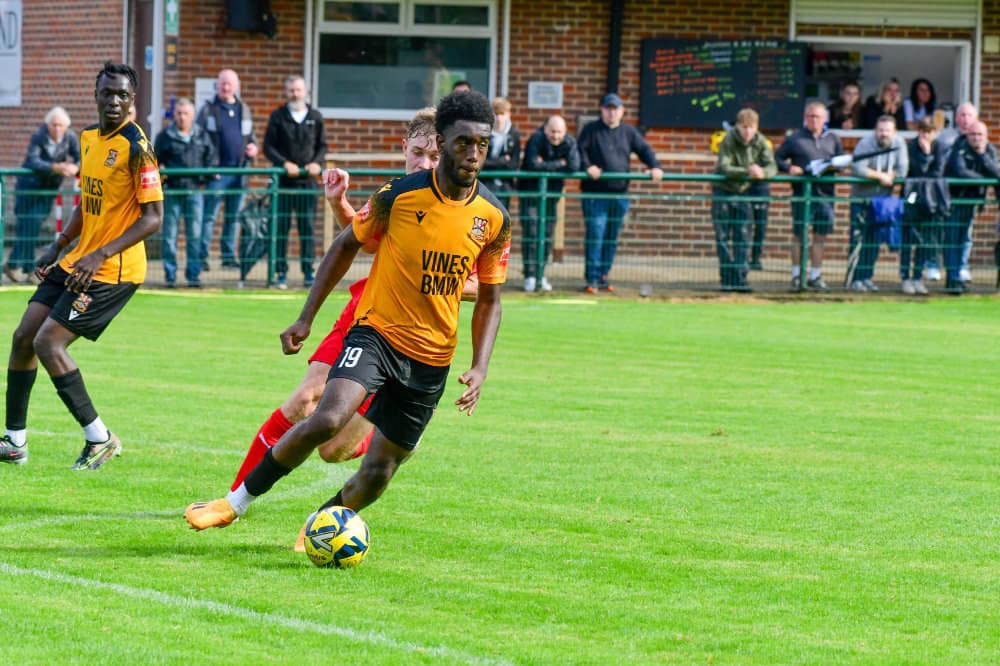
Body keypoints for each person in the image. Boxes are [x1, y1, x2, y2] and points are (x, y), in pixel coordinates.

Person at [184, 90, 511, 533]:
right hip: (375, 331)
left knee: (374, 470)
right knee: (325, 416)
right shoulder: (399, 195)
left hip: (432, 357)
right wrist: (306, 317)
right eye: (462, 143)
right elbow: (351, 244)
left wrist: (480, 367)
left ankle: (321, 525)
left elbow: (490, 296)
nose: (472, 154)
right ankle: (234, 502)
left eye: (482, 145)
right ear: (441, 141)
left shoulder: (494, 217)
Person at [226, 107, 460, 497]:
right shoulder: (394, 194)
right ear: (404, 148)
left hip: (412, 331)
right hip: (363, 313)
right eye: (418, 153)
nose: (424, 163)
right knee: (304, 400)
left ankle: (399, 434)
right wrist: (338, 202)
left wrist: (432, 276)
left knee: (332, 451)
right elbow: (362, 240)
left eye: (435, 156)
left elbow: (482, 284)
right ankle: (233, 499)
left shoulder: (465, 207)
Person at [1, 62, 163, 468]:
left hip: (114, 270)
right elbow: (87, 203)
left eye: (122, 95)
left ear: (132, 100)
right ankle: (14, 442)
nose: (114, 101)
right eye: (108, 93)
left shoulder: (138, 149)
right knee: (23, 337)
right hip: (79, 260)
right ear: (96, 94)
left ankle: (100, 438)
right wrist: (59, 244)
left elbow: (153, 218)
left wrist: (100, 254)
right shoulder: (88, 138)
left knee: (48, 343)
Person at [578, 92, 663, 293]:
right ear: (602, 110)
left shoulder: (629, 131)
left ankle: (603, 276)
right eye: (608, 109)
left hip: (619, 194)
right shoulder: (591, 130)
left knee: (611, 238)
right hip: (595, 194)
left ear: (622, 111)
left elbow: (645, 150)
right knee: (595, 236)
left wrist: (655, 166)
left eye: (615, 109)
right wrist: (587, 166)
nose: (612, 113)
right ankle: (592, 279)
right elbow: (579, 152)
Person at [262, 75, 327, 288]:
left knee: (307, 228)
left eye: (298, 90)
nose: (295, 94)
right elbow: (268, 147)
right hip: (284, 183)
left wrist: (316, 163)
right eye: (291, 90)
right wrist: (284, 164)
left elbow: (322, 146)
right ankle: (280, 272)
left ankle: (308, 272)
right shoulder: (278, 116)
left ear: (305, 92)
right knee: (281, 228)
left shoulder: (315, 116)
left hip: (307, 184)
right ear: (286, 92)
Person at [4, 107, 81, 284]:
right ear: (48, 125)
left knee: (32, 226)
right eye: (54, 125)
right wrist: (56, 167)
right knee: (28, 225)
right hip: (28, 187)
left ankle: (16, 265)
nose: (57, 128)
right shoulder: (39, 136)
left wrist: (75, 167)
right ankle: (26, 268)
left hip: (48, 189)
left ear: (66, 126)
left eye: (60, 125)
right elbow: (33, 160)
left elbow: (79, 157)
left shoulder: (70, 137)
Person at [775, 101, 845, 290]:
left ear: (825, 119)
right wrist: (789, 168)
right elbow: (777, 158)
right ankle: (797, 275)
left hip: (825, 195)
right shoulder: (795, 138)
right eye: (811, 116)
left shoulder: (833, 138)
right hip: (802, 194)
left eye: (818, 117)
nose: (814, 120)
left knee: (820, 237)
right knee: (799, 235)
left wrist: (833, 167)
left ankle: (815, 275)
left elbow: (841, 162)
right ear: (805, 118)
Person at [197, 68, 258, 270]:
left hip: (240, 173)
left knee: (234, 218)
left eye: (229, 83)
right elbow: (199, 140)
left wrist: (253, 148)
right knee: (209, 217)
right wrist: (207, 167)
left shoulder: (244, 109)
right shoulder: (208, 109)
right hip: (217, 174)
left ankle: (229, 257)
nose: (225, 87)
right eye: (222, 83)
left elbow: (252, 137)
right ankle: (202, 258)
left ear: (236, 86)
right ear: (217, 85)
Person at [153, 97, 217, 288]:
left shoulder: (202, 135)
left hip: (194, 191)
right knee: (170, 236)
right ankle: (170, 275)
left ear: (193, 115)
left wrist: (203, 179)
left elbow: (212, 160)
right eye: (179, 113)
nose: (182, 117)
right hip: (172, 191)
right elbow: (154, 160)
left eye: (186, 113)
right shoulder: (164, 136)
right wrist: (161, 170)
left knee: (195, 235)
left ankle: (193, 275)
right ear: (174, 115)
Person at [712, 108, 777, 292]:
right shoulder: (728, 139)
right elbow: (724, 166)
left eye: (751, 127)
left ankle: (741, 279)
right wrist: (747, 171)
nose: (748, 132)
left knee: (743, 236)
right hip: (723, 191)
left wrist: (763, 173)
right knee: (722, 237)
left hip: (743, 193)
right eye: (744, 127)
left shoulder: (760, 141)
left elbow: (772, 165)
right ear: (738, 126)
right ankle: (727, 278)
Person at [847, 115, 909, 292]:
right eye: (881, 130)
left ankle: (867, 277)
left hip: (882, 203)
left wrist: (891, 176)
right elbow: (857, 168)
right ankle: (854, 279)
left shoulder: (899, 143)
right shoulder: (866, 143)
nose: (884, 134)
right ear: (876, 130)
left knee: (874, 242)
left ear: (894, 132)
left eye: (887, 130)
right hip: (861, 200)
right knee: (858, 241)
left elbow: (903, 170)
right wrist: (881, 176)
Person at [518, 114, 579, 292]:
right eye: (552, 131)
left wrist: (546, 164)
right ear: (545, 129)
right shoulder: (536, 139)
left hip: (552, 196)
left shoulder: (569, 142)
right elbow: (532, 164)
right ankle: (529, 275)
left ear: (565, 132)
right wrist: (560, 163)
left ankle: (541, 274)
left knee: (547, 235)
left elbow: (574, 165)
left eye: (559, 132)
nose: (556, 136)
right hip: (530, 194)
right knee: (531, 233)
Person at [943, 120, 999, 294]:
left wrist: (982, 156)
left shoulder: (989, 150)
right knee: (952, 240)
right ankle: (952, 279)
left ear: (986, 136)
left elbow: (997, 172)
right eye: (973, 134)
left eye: (980, 135)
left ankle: (957, 277)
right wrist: (983, 179)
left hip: (971, 201)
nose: (976, 138)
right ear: (967, 135)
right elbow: (960, 171)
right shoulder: (959, 147)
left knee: (963, 240)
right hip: (954, 201)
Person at [900, 117, 948, 295]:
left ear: (935, 133)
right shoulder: (911, 146)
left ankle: (917, 277)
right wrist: (925, 157)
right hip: (911, 197)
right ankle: (905, 278)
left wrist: (928, 154)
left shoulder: (939, 147)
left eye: (929, 132)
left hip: (929, 201)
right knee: (907, 239)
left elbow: (937, 172)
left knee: (924, 240)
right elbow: (914, 171)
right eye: (922, 131)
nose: (925, 135)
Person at [937, 102, 981, 283]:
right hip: (948, 193)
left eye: (969, 115)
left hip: (969, 196)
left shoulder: (979, 137)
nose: (965, 119)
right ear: (956, 118)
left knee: (966, 234)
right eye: (962, 115)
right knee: (946, 234)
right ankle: (941, 268)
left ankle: (962, 267)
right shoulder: (945, 138)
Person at [481, 97, 521, 206]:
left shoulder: (514, 135)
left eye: (502, 114)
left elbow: (513, 164)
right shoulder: (484, 133)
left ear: (508, 115)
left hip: (505, 185)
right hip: (484, 183)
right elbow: (480, 162)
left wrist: (490, 162)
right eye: (496, 114)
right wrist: (502, 161)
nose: (499, 118)